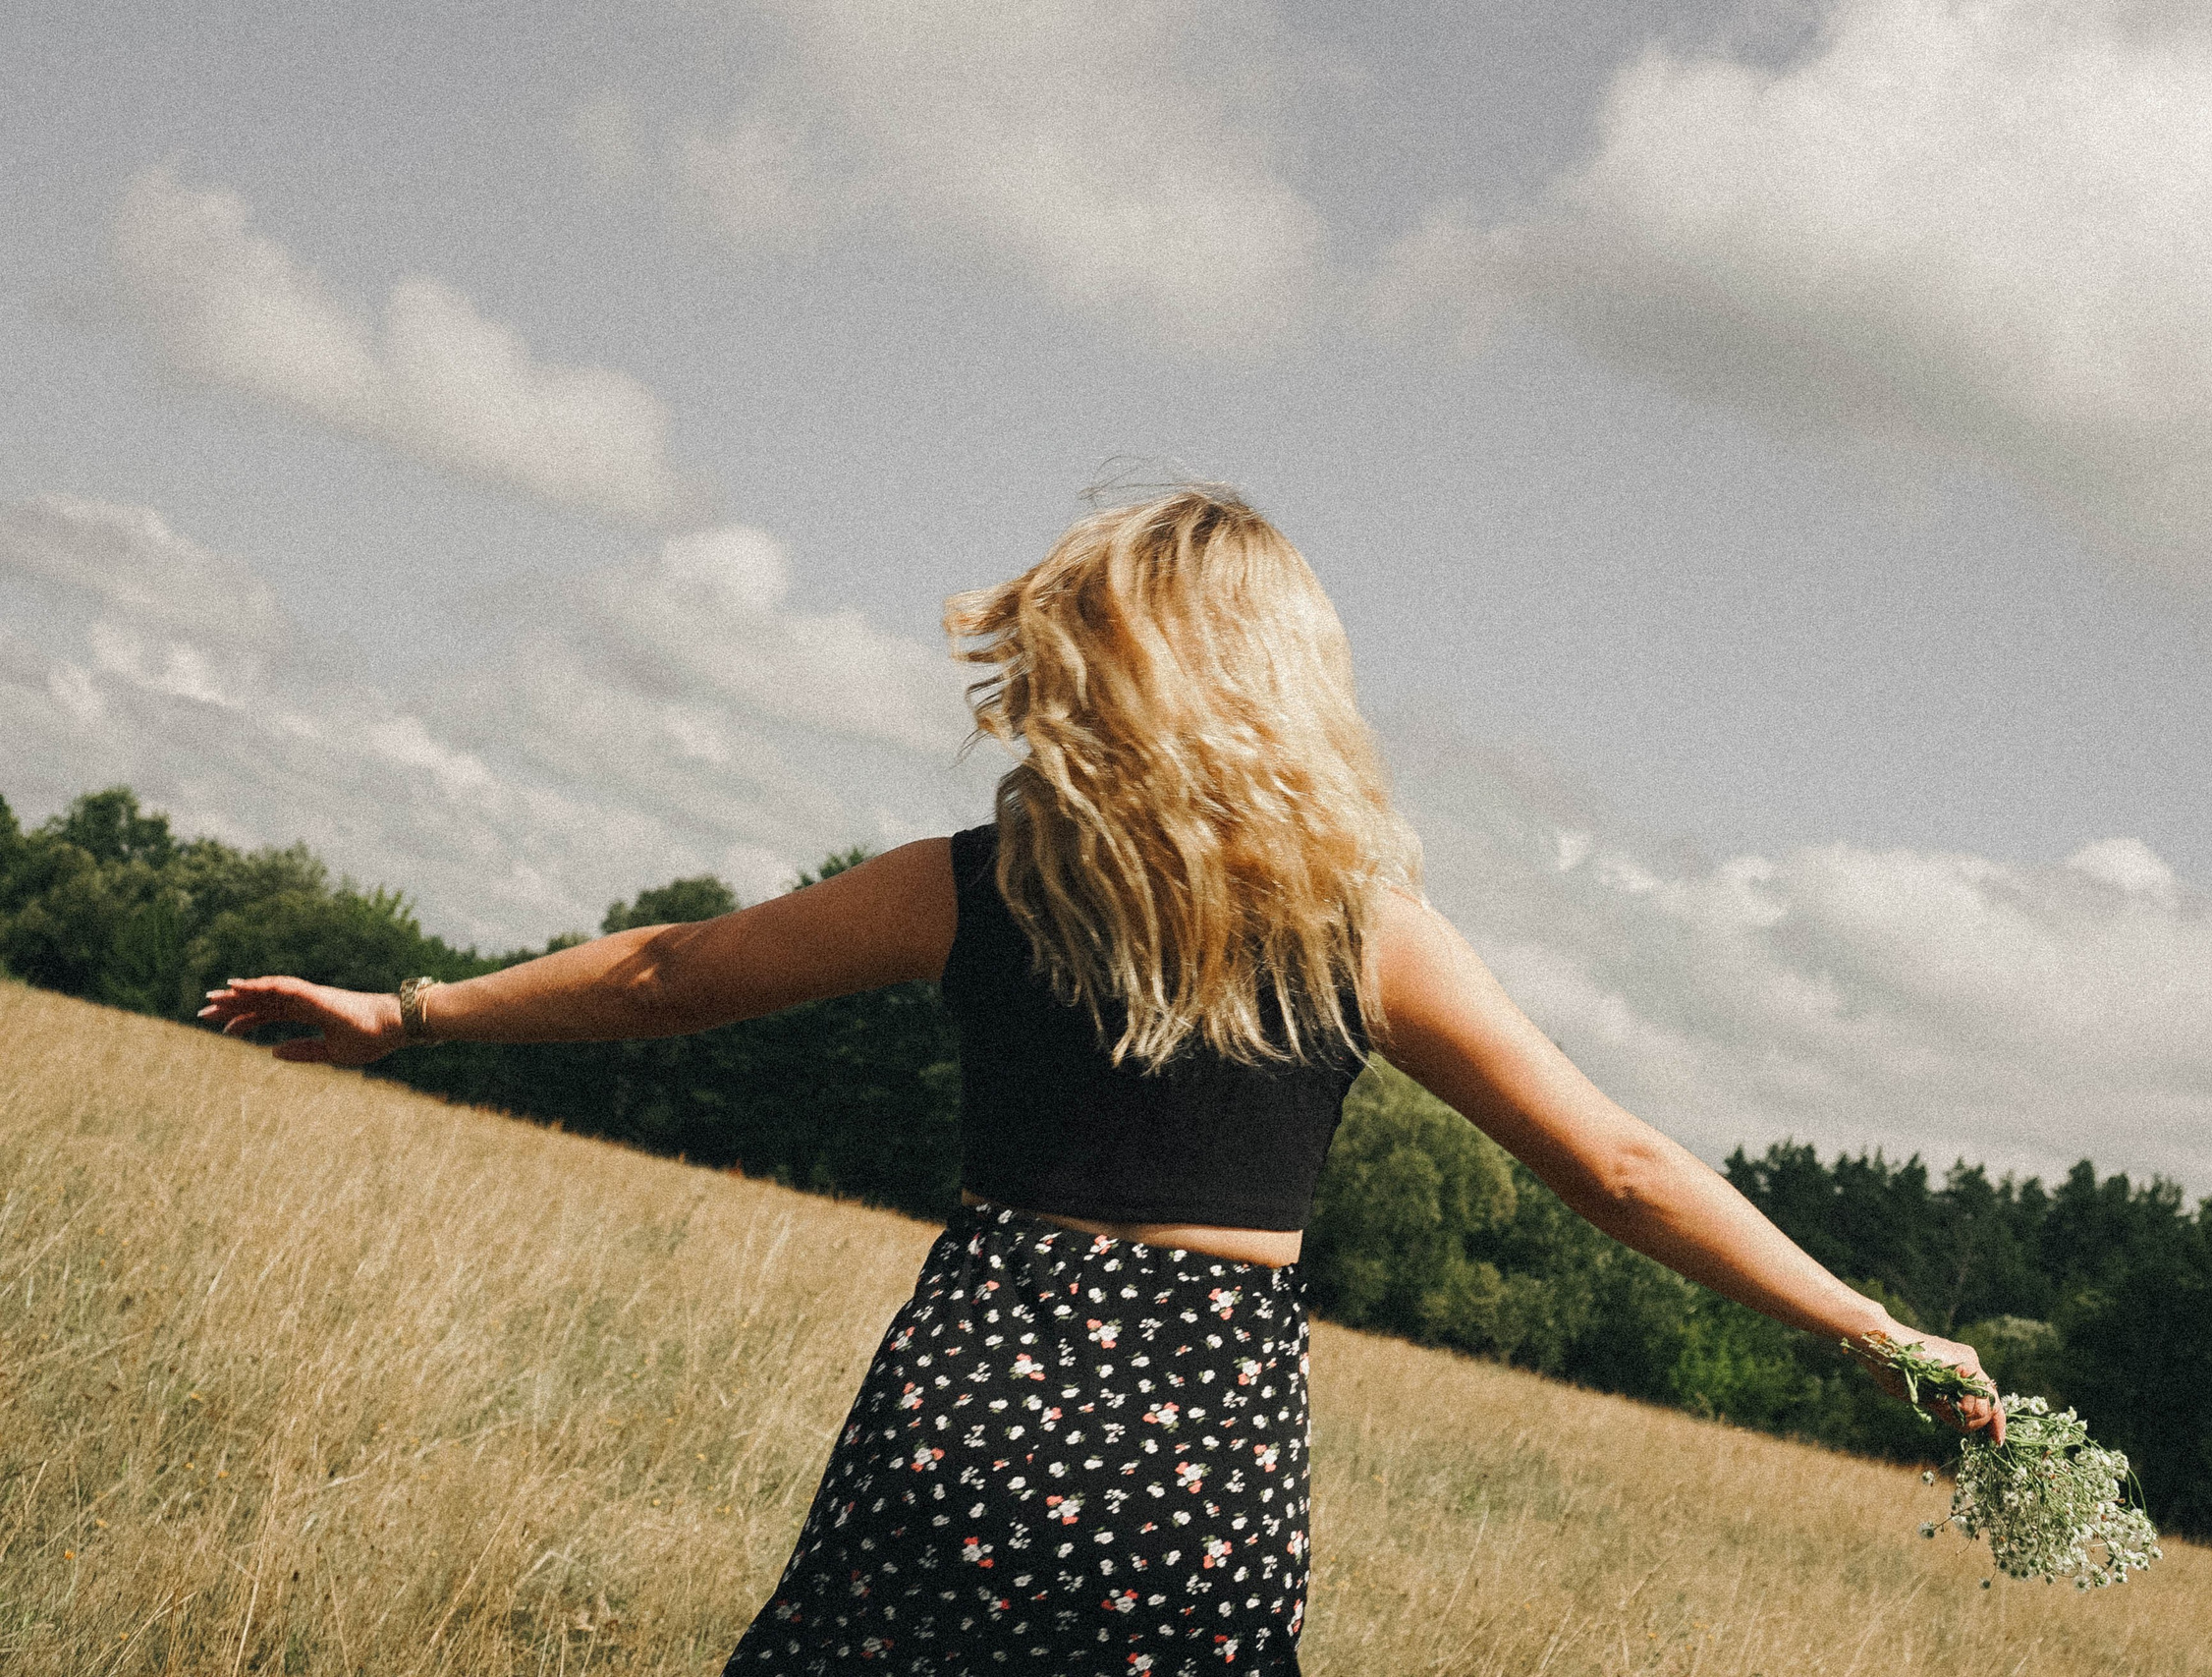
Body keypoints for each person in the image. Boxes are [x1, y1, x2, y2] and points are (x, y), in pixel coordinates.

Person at [200, 486, 2000, 1674]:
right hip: (1198, 1467)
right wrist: (1883, 1334)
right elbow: (1619, 1166)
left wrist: (409, 1016)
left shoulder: (990, 879)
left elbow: (676, 974)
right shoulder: (1362, 926)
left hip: (965, 1400)